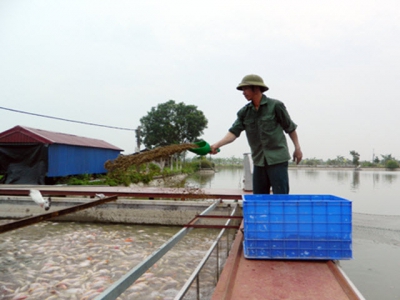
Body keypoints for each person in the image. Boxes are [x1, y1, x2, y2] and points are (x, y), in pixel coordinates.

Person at [210, 74, 302, 194]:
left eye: (246, 89)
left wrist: (297, 148)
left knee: (281, 197)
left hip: (277, 159)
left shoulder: (275, 106)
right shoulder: (244, 112)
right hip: (259, 160)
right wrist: (217, 145)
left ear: (256, 88)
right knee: (259, 197)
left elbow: (290, 128)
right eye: (242, 89)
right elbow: (233, 132)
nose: (243, 92)